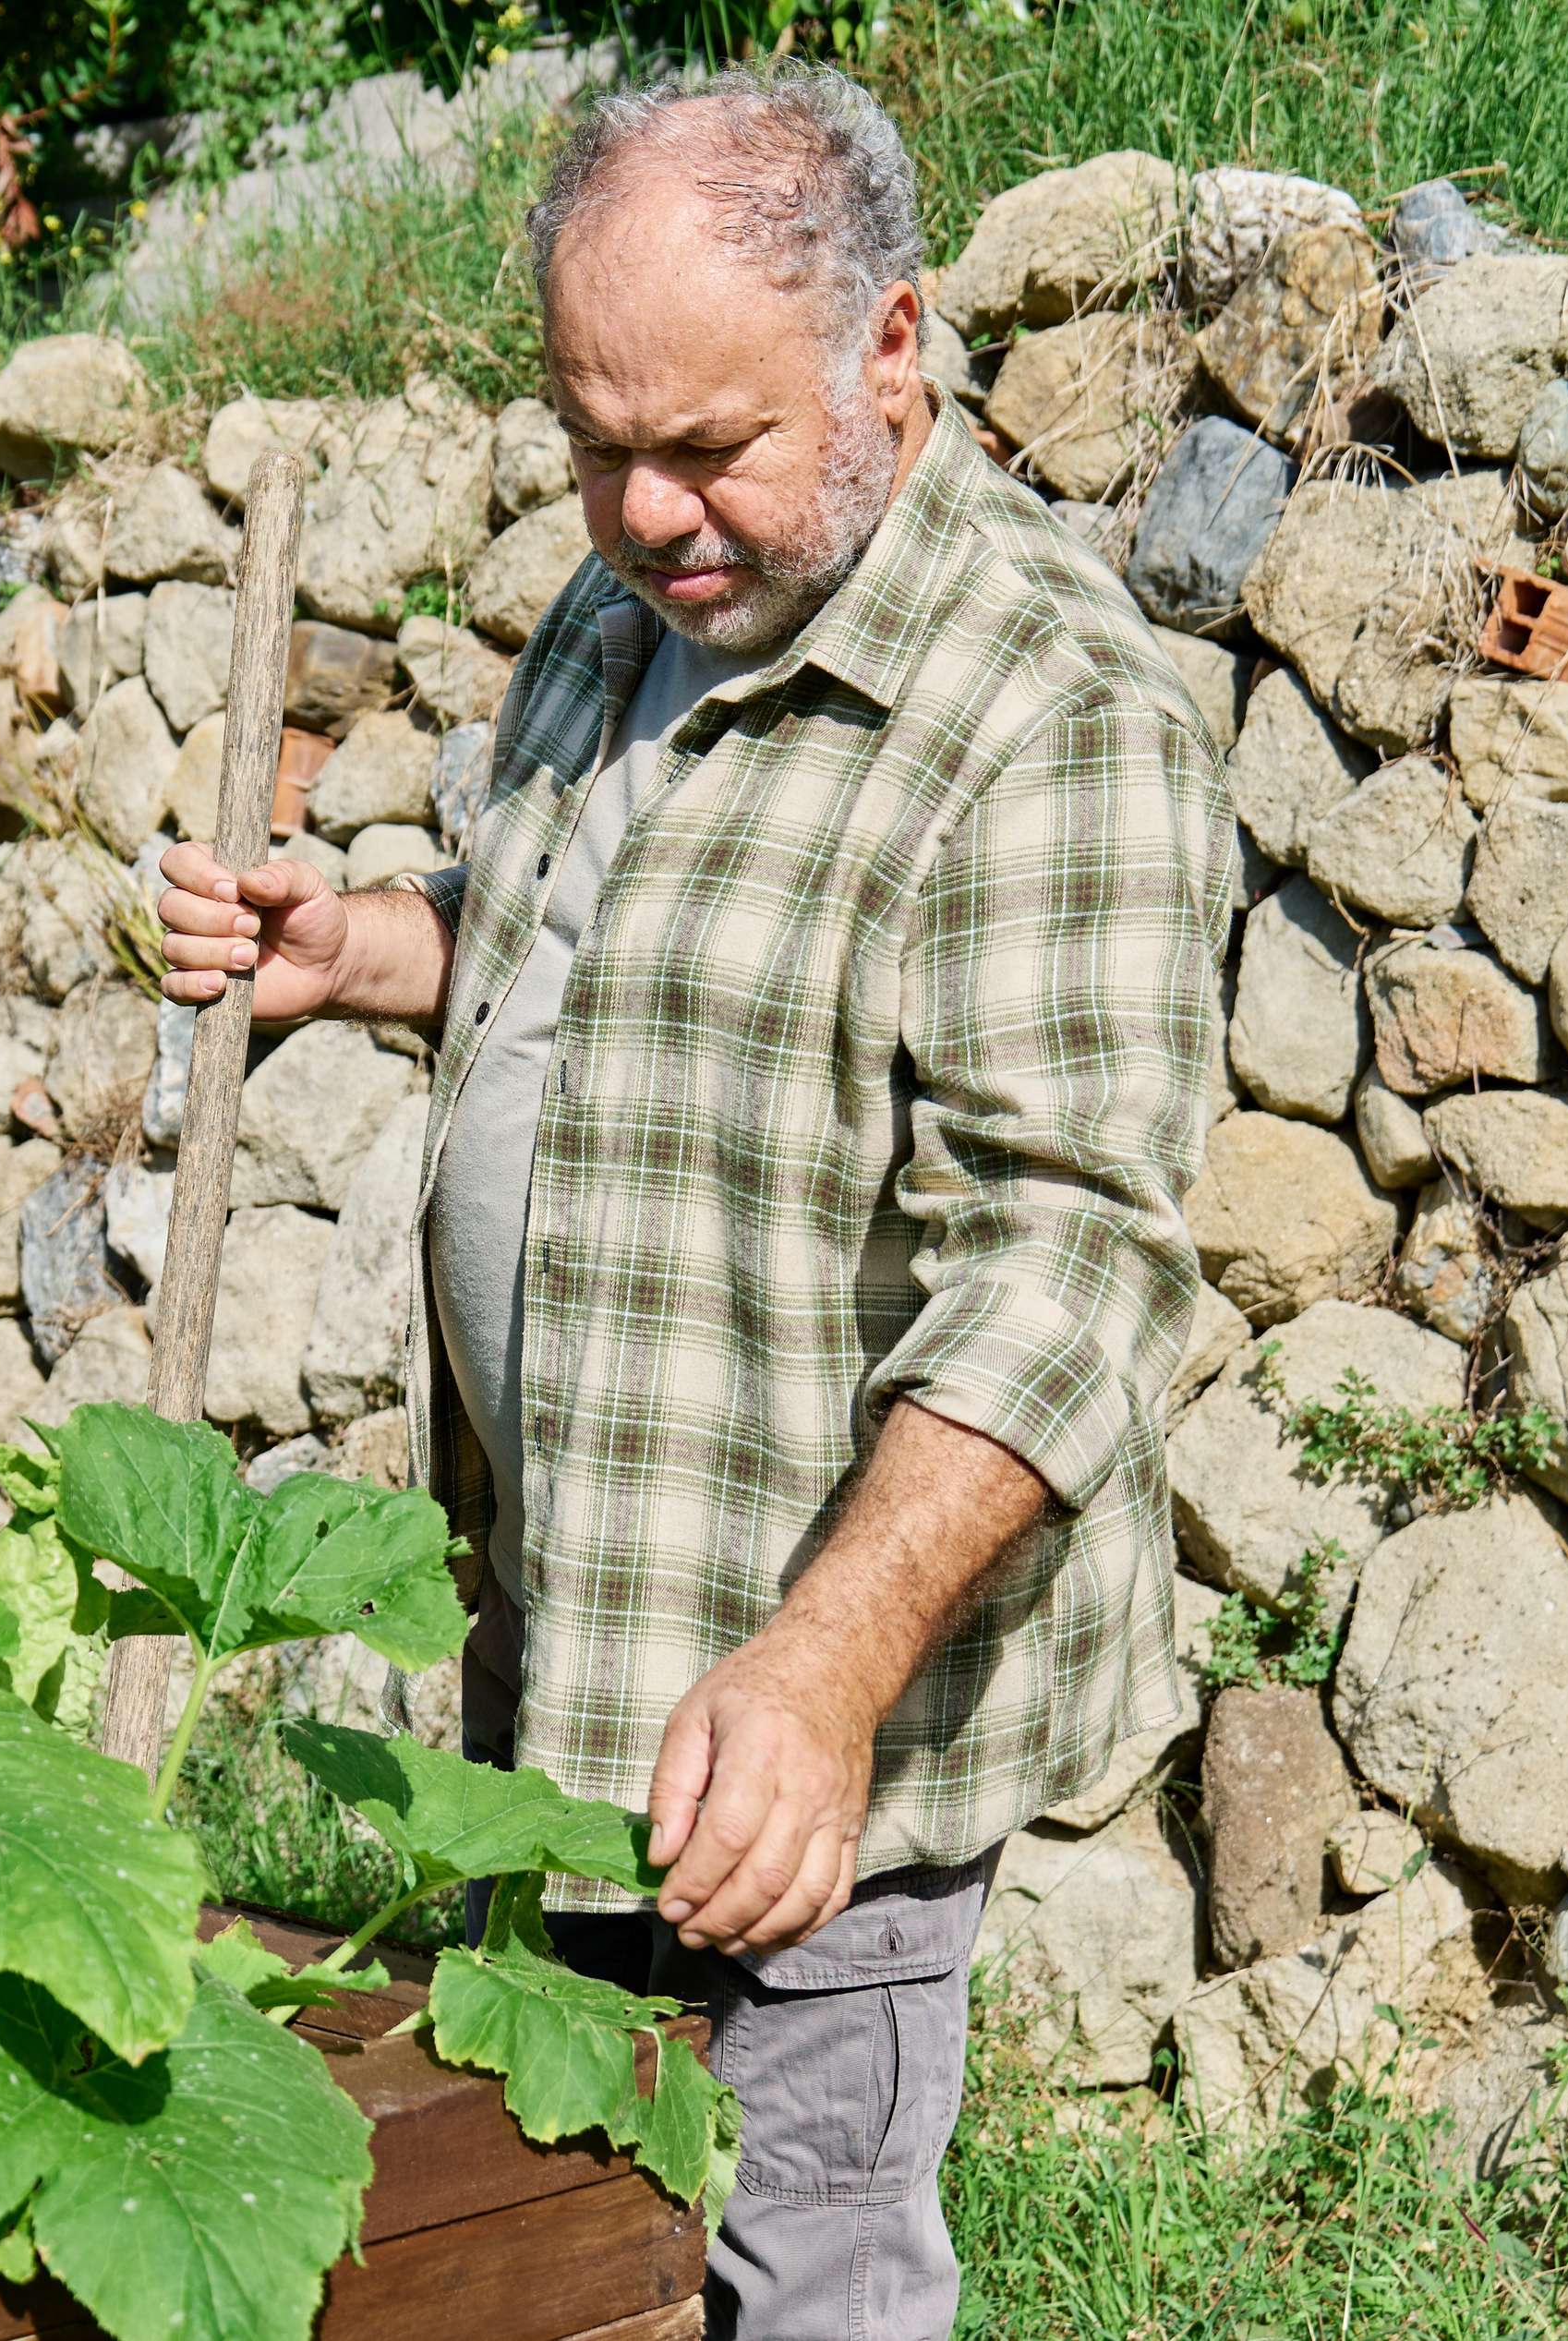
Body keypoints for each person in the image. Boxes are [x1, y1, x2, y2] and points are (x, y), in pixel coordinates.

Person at [158, 61, 1227, 2341]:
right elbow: (587, 937)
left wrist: (828, 1672)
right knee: (573, 2230)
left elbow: (1071, 1275)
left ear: (895, 345)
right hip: (578, 1627)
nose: (642, 508)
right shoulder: (635, 601)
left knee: (794, 2245)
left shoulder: (1048, 715)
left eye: (709, 447)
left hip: (804, 1721)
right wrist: (367, 946)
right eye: (590, 441)